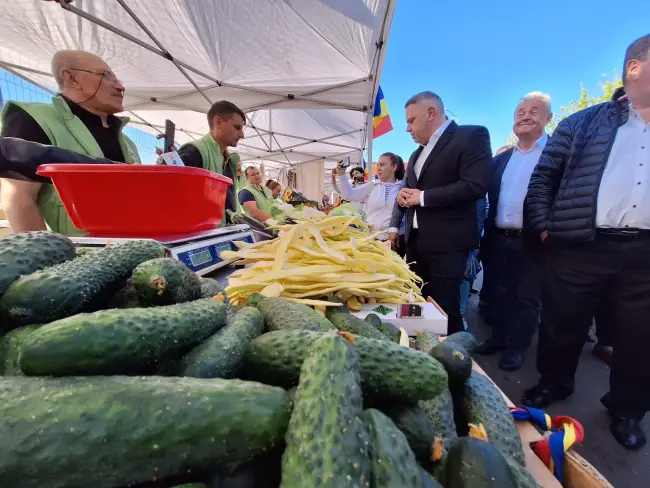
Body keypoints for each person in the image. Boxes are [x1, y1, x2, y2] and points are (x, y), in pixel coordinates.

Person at [524, 34, 650, 450]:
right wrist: (547, 227)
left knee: (639, 337)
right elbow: (544, 179)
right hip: (580, 244)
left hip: (645, 255)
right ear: (635, 67)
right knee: (562, 323)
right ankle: (553, 383)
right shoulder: (582, 122)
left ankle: (628, 409)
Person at [0, 50, 140, 235]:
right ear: (71, 78)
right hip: (77, 256)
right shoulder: (36, 119)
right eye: (106, 76)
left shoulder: (128, 143)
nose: (120, 87)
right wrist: (50, 260)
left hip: (136, 248)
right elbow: (18, 199)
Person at [396, 91, 492, 334]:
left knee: (445, 313)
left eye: (411, 120)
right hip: (415, 246)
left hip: (448, 246)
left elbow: (475, 185)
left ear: (431, 113)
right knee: (418, 308)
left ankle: (456, 361)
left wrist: (423, 197)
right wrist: (403, 198)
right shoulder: (416, 154)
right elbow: (413, 191)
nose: (407, 128)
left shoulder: (471, 135)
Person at [477, 92, 553, 371]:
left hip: (534, 241)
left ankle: (516, 348)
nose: (525, 116)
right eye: (520, 111)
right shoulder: (502, 159)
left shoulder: (557, 154)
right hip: (498, 237)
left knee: (527, 298)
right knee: (498, 292)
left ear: (548, 119)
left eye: (534, 111)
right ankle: (498, 338)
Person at [177, 101, 245, 224]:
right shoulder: (194, 152)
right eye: (237, 127)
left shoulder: (229, 160)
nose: (242, 135)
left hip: (223, 235)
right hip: (200, 238)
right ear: (218, 122)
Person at [334, 152, 404, 238]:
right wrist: (341, 175)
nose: (378, 168)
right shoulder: (372, 185)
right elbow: (349, 195)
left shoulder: (403, 187)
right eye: (377, 165)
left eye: (382, 165)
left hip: (397, 239)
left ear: (394, 167)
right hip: (372, 239)